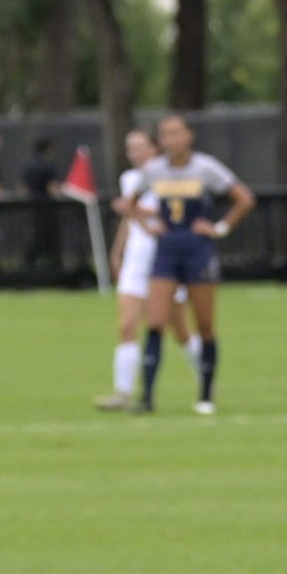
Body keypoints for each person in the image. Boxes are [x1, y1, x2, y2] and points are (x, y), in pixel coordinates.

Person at [133, 114, 254, 415]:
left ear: (189, 136)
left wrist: (220, 228)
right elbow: (128, 203)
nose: (170, 140)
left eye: (176, 133)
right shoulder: (154, 170)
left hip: (198, 252)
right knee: (156, 321)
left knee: (203, 324)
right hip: (167, 251)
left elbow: (244, 199)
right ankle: (146, 397)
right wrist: (147, 225)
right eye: (165, 134)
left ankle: (205, 395)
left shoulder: (206, 168)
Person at [97, 129, 199, 410]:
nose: (136, 153)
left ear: (155, 149)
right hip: (135, 262)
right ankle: (123, 393)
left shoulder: (170, 177)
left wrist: (137, 212)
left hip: (164, 261)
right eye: (131, 148)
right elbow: (130, 220)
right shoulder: (129, 179)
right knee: (127, 325)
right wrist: (117, 252)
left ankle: (206, 377)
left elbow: (172, 215)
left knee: (180, 331)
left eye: (141, 147)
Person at [21, 137, 64, 276]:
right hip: (47, 210)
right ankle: (55, 270)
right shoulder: (48, 166)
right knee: (50, 240)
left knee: (34, 238)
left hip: (32, 210)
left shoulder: (28, 167)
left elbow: (23, 190)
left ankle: (28, 267)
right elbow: (53, 189)